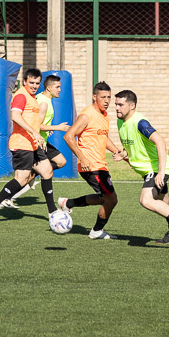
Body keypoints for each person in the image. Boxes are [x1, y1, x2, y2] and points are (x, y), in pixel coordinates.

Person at [113, 90, 169, 244]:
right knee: (163, 200)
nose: (117, 108)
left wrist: (160, 173)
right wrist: (124, 153)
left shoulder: (140, 122)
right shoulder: (121, 122)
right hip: (149, 169)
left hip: (156, 168)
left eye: (121, 105)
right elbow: (136, 144)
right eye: (116, 104)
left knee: (146, 200)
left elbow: (160, 142)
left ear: (132, 106)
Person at [0, 68, 58, 224]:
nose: (34, 86)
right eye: (31, 82)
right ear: (25, 81)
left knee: (47, 170)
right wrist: (35, 133)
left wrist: (39, 136)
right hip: (21, 143)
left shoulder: (32, 98)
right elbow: (15, 116)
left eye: (37, 83)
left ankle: (52, 211)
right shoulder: (21, 96)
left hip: (32, 144)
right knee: (21, 179)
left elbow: (33, 121)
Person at [59, 82, 122, 240]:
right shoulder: (87, 115)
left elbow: (102, 136)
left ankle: (68, 203)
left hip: (100, 165)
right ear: (94, 97)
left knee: (104, 198)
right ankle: (96, 231)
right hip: (91, 167)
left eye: (108, 97)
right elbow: (68, 136)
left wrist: (116, 151)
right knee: (111, 200)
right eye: (103, 97)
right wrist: (82, 157)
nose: (106, 101)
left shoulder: (104, 115)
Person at [19, 74, 70, 198]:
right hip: (37, 142)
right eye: (57, 87)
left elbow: (40, 124)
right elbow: (37, 126)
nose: (60, 90)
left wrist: (48, 129)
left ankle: (34, 172)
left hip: (44, 140)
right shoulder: (43, 103)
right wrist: (57, 127)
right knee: (24, 178)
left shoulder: (44, 99)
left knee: (61, 161)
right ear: (48, 88)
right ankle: (5, 198)